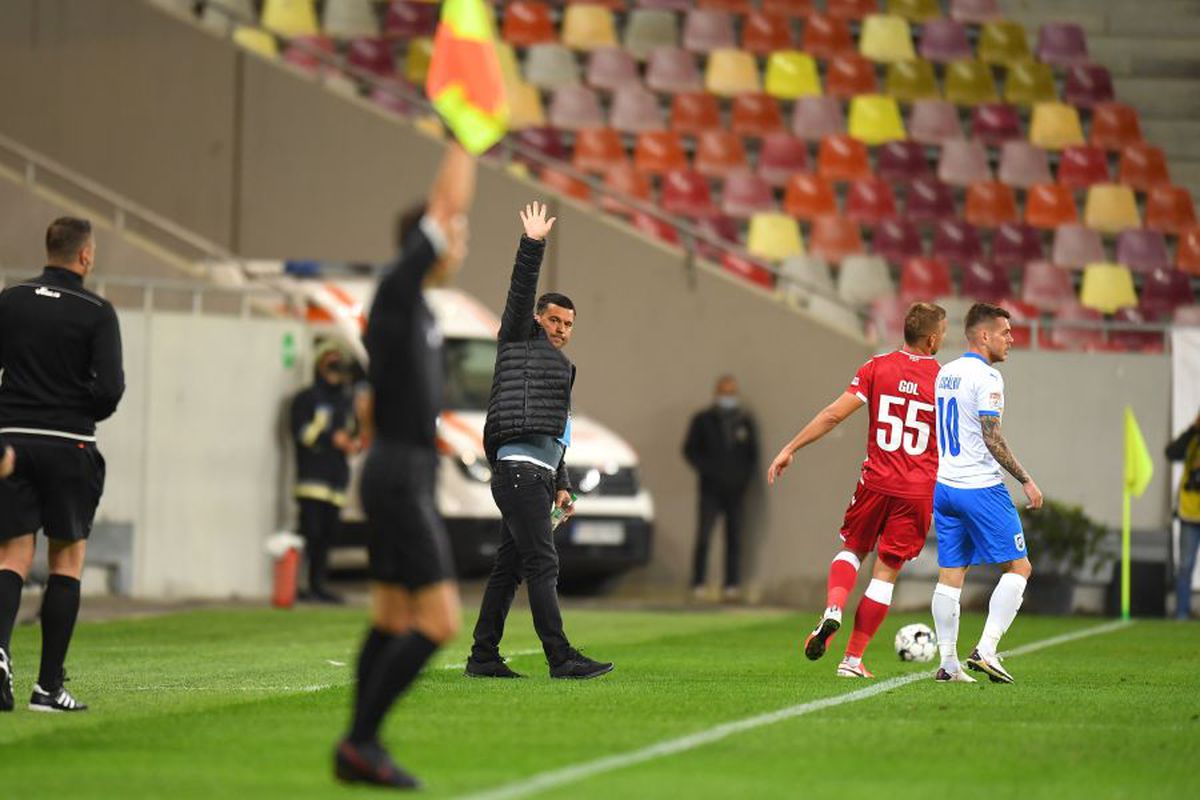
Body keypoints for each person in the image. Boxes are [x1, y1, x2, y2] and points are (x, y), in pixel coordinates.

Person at [333, 142, 476, 789]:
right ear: (431, 235)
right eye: (457, 231)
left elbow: (376, 396)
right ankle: (361, 739)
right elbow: (448, 200)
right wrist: (465, 136)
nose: (462, 239)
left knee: (390, 619)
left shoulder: (416, 306)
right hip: (398, 476)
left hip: (403, 466)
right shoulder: (395, 287)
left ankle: (359, 747)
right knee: (441, 623)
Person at [464, 201, 613, 681]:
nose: (561, 331)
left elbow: (559, 432)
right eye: (554, 321)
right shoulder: (517, 339)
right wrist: (533, 243)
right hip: (518, 470)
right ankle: (560, 657)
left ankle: (482, 656)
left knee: (510, 571)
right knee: (543, 564)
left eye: (568, 325)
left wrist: (561, 482)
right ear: (537, 318)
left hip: (536, 474)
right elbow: (520, 286)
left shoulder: (563, 368)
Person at [767, 303, 947, 678]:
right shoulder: (944, 381)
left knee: (853, 549)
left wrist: (790, 448)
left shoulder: (876, 367)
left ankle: (833, 607)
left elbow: (833, 414)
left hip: (876, 481)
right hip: (916, 489)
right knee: (886, 572)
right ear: (932, 338)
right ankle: (851, 660)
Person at [0, 217, 125, 713]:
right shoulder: (96, 311)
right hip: (69, 444)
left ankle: (0, 657)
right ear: (86, 256)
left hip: (10, 441)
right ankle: (48, 688)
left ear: (48, 247)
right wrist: (79, 410)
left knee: (10, 553)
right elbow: (110, 389)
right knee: (66, 561)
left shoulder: (9, 300)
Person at [929, 303, 1043, 685]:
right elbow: (991, 436)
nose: (1011, 339)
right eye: (1005, 332)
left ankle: (948, 664)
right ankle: (986, 650)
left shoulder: (945, 373)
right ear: (983, 336)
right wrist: (1025, 479)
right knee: (1020, 567)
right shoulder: (988, 377)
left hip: (945, 486)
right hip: (980, 487)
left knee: (950, 574)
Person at [289, 341, 358, 603]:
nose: (335, 369)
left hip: (336, 481)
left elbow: (353, 432)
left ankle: (319, 585)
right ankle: (301, 585)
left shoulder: (345, 400)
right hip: (312, 478)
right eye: (330, 363)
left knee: (328, 535)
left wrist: (353, 442)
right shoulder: (307, 398)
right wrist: (331, 438)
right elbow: (301, 432)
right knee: (311, 532)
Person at [683, 375, 759, 601]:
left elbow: (752, 455)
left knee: (734, 536)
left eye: (732, 392)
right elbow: (690, 450)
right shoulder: (703, 420)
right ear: (717, 394)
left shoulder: (744, 421)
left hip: (735, 490)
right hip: (710, 489)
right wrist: (709, 470)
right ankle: (698, 582)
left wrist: (742, 479)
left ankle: (731, 584)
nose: (728, 397)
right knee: (704, 535)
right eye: (724, 392)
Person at [1165, 413, 1200, 620]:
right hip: (1189, 513)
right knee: (1185, 566)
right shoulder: (1191, 441)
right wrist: (1192, 430)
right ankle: (1182, 613)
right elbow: (1171, 453)